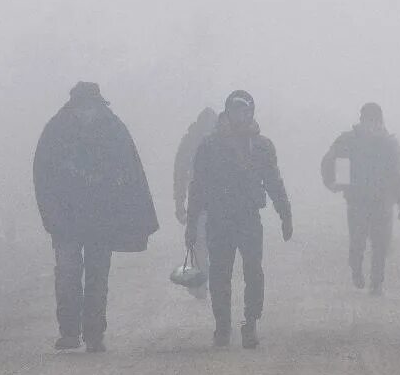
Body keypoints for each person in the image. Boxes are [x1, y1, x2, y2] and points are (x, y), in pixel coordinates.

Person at [32, 81, 159, 353]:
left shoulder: (113, 130)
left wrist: (126, 212)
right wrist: (50, 215)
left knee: (97, 276)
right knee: (67, 274)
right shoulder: (57, 131)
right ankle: (68, 332)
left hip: (102, 219)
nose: (87, 112)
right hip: (65, 221)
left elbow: (130, 173)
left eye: (91, 106)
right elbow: (43, 176)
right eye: (83, 106)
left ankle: (93, 334)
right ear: (74, 107)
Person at [185, 89, 293, 349]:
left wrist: (285, 213)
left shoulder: (262, 146)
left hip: (248, 218)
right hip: (219, 219)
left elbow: (273, 182)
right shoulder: (210, 146)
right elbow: (197, 187)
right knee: (220, 273)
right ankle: (222, 325)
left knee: (253, 271)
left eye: (245, 110)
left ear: (251, 112)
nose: (240, 115)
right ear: (228, 112)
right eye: (236, 109)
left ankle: (250, 323)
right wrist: (191, 224)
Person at [321, 102, 400, 294]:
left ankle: (376, 283)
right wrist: (334, 183)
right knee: (357, 241)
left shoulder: (388, 144)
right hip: (357, 200)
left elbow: (395, 174)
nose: (373, 126)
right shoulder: (349, 141)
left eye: (376, 121)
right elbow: (332, 162)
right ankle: (356, 270)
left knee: (380, 244)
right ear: (362, 121)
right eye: (369, 121)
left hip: (382, 201)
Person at [172, 106, 218, 294]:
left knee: (202, 243)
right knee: (203, 243)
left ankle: (201, 283)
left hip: (204, 201)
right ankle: (204, 283)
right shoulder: (217, 140)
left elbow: (180, 173)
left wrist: (179, 202)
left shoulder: (191, 141)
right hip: (204, 201)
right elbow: (181, 173)